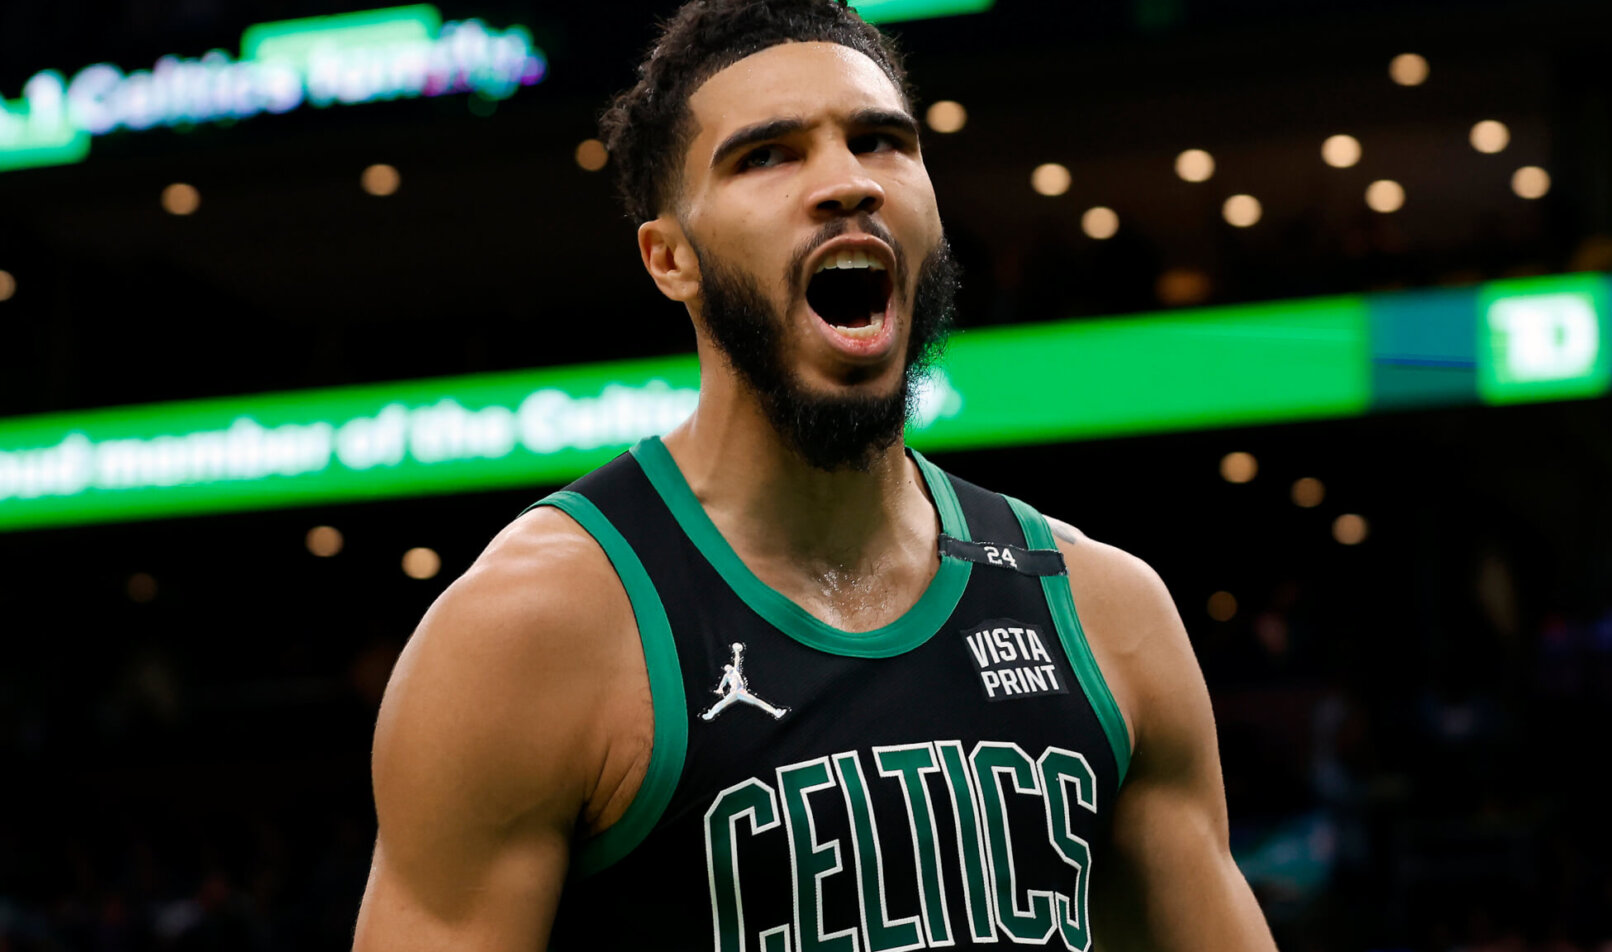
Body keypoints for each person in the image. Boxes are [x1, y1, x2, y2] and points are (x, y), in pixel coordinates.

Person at [352, 0, 1278, 948]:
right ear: (671, 259)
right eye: (767, 155)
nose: (847, 183)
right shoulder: (529, 632)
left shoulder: (1105, 611)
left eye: (881, 142)